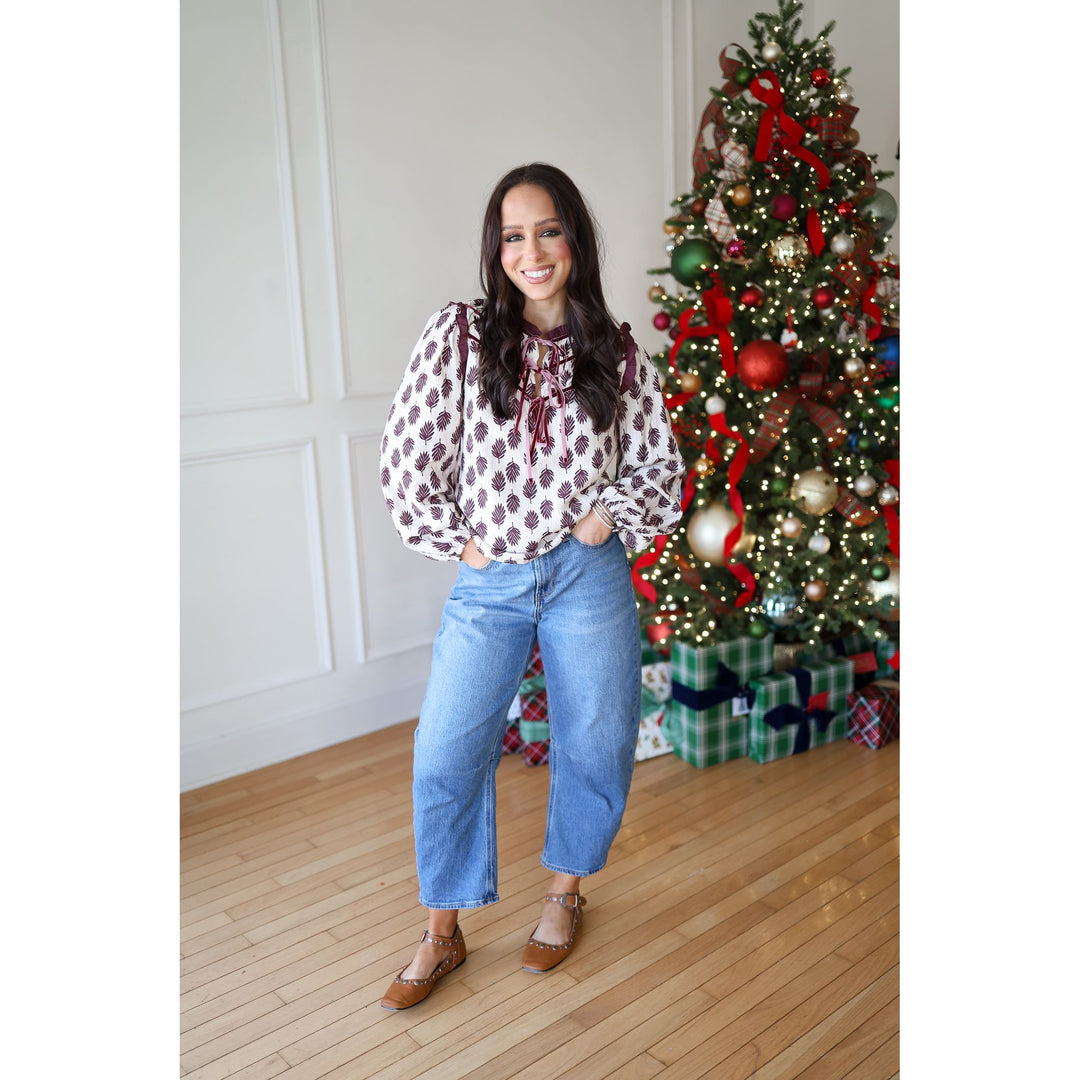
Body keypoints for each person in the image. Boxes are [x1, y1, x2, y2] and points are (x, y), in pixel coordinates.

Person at [377, 163, 685, 1010]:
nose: (531, 251)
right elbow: (406, 459)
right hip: (494, 580)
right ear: (496, 249)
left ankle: (564, 893)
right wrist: (462, 544)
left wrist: (608, 513)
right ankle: (442, 930)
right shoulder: (462, 336)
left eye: (547, 230)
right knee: (445, 749)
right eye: (513, 236)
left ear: (574, 238)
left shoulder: (616, 350)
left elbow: (661, 467)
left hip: (588, 575)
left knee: (596, 736)